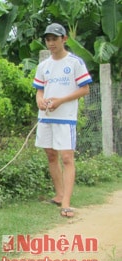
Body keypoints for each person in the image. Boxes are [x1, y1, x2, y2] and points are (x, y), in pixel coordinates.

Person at [32, 23, 93, 218]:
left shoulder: (75, 63)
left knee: (66, 158)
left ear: (64, 39)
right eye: (48, 39)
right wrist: (40, 101)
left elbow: (85, 89)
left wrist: (60, 101)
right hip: (46, 117)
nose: (51, 43)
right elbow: (39, 90)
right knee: (51, 155)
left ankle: (66, 203)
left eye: (54, 39)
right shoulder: (43, 66)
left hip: (65, 118)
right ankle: (58, 195)